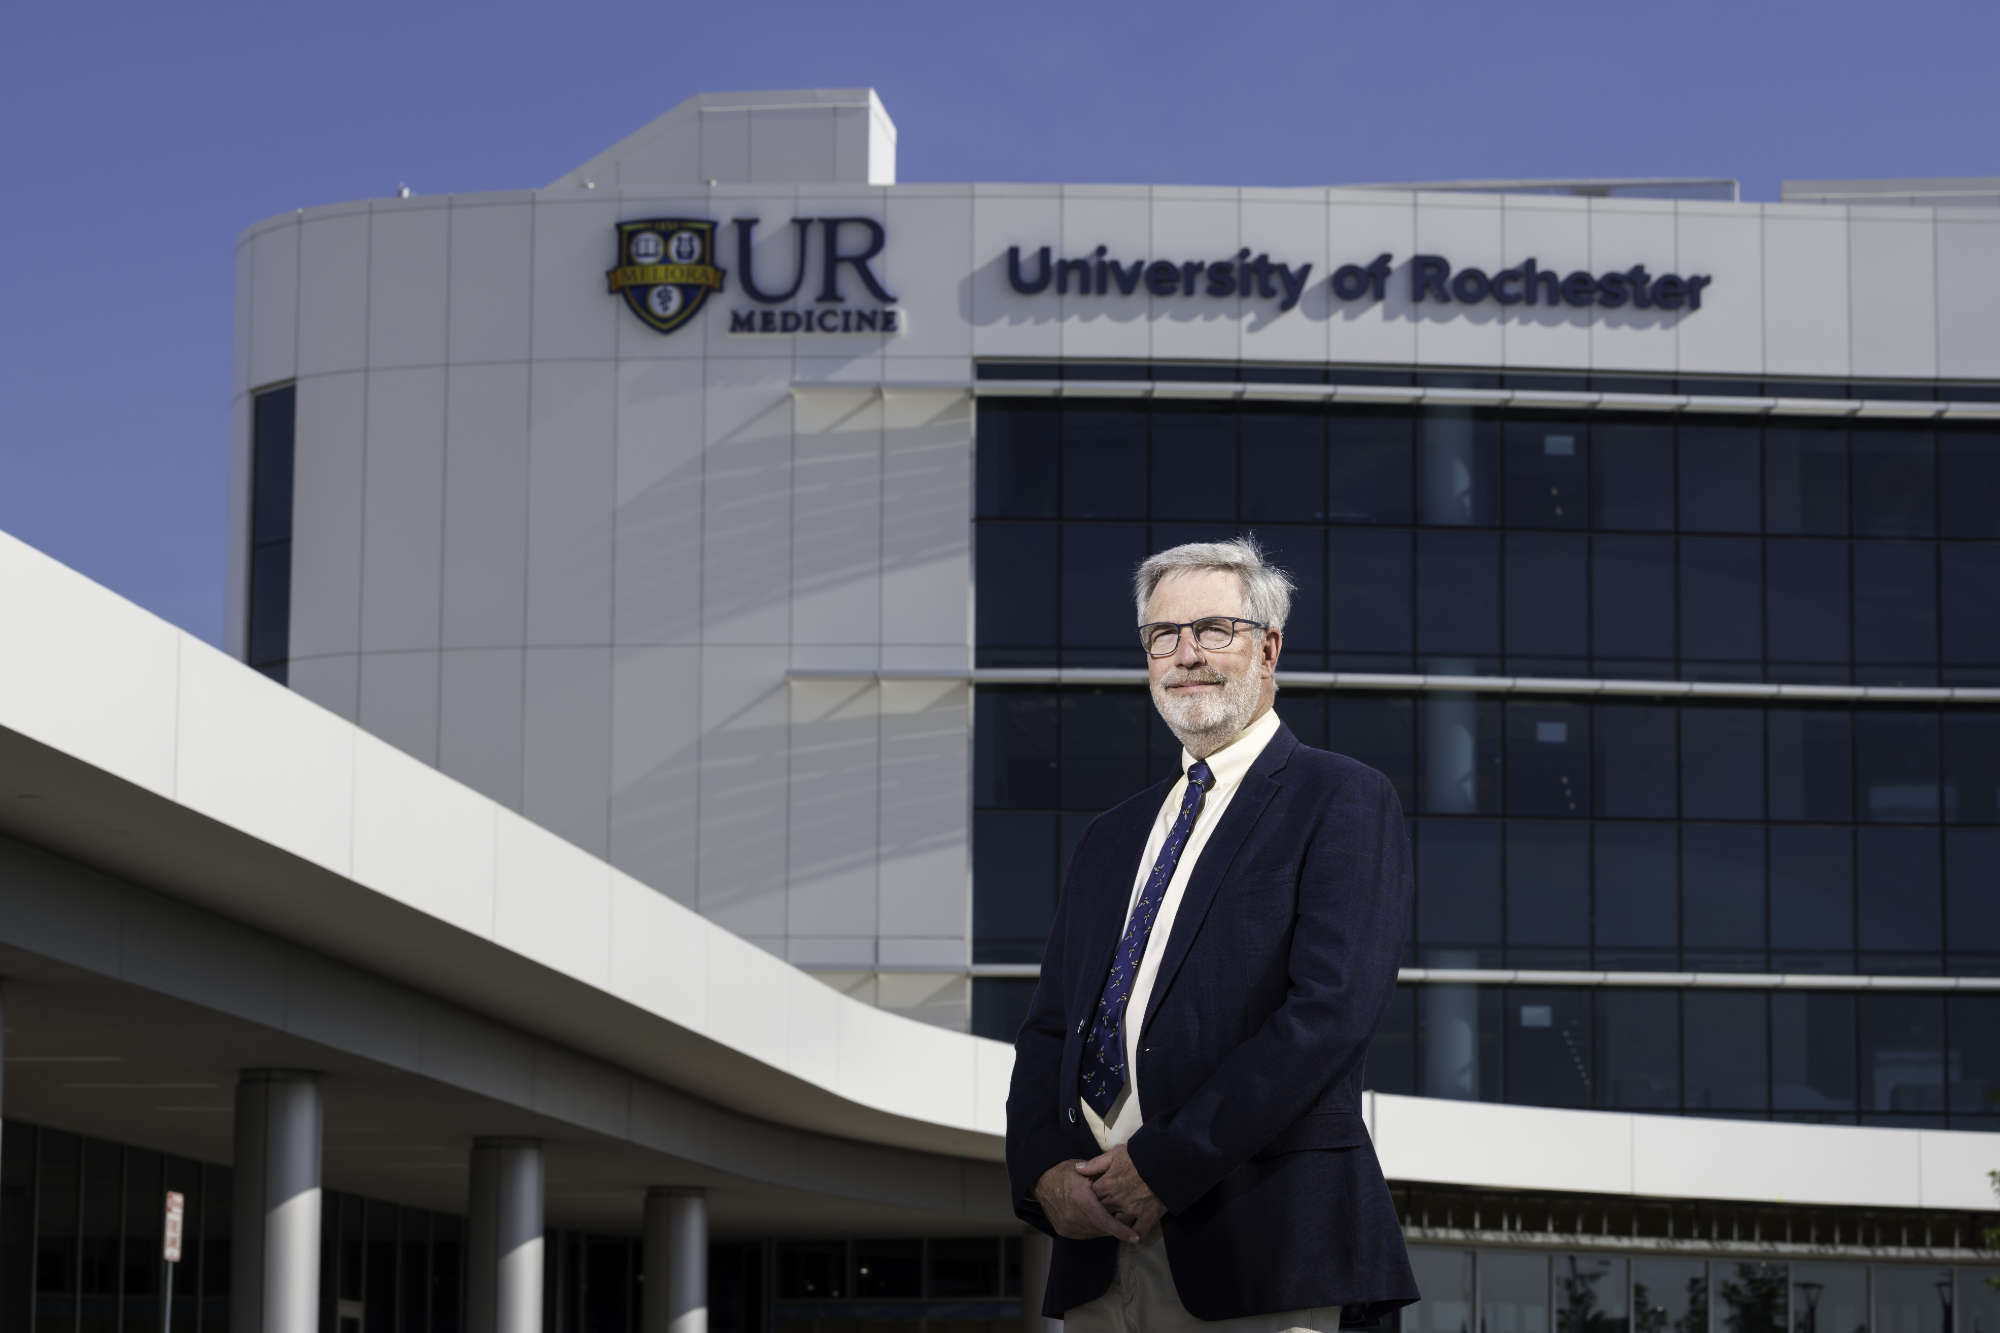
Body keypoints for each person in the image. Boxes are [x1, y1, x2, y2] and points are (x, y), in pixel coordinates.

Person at [1004, 536, 1419, 1331]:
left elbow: (1327, 1014)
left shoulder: (1340, 799)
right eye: (1164, 635)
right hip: (1096, 1258)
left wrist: (1159, 1166)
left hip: (1264, 1250)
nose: (1186, 653)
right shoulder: (1110, 837)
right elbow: (1050, 1030)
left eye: (1214, 629)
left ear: (1269, 648)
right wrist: (1043, 1179)